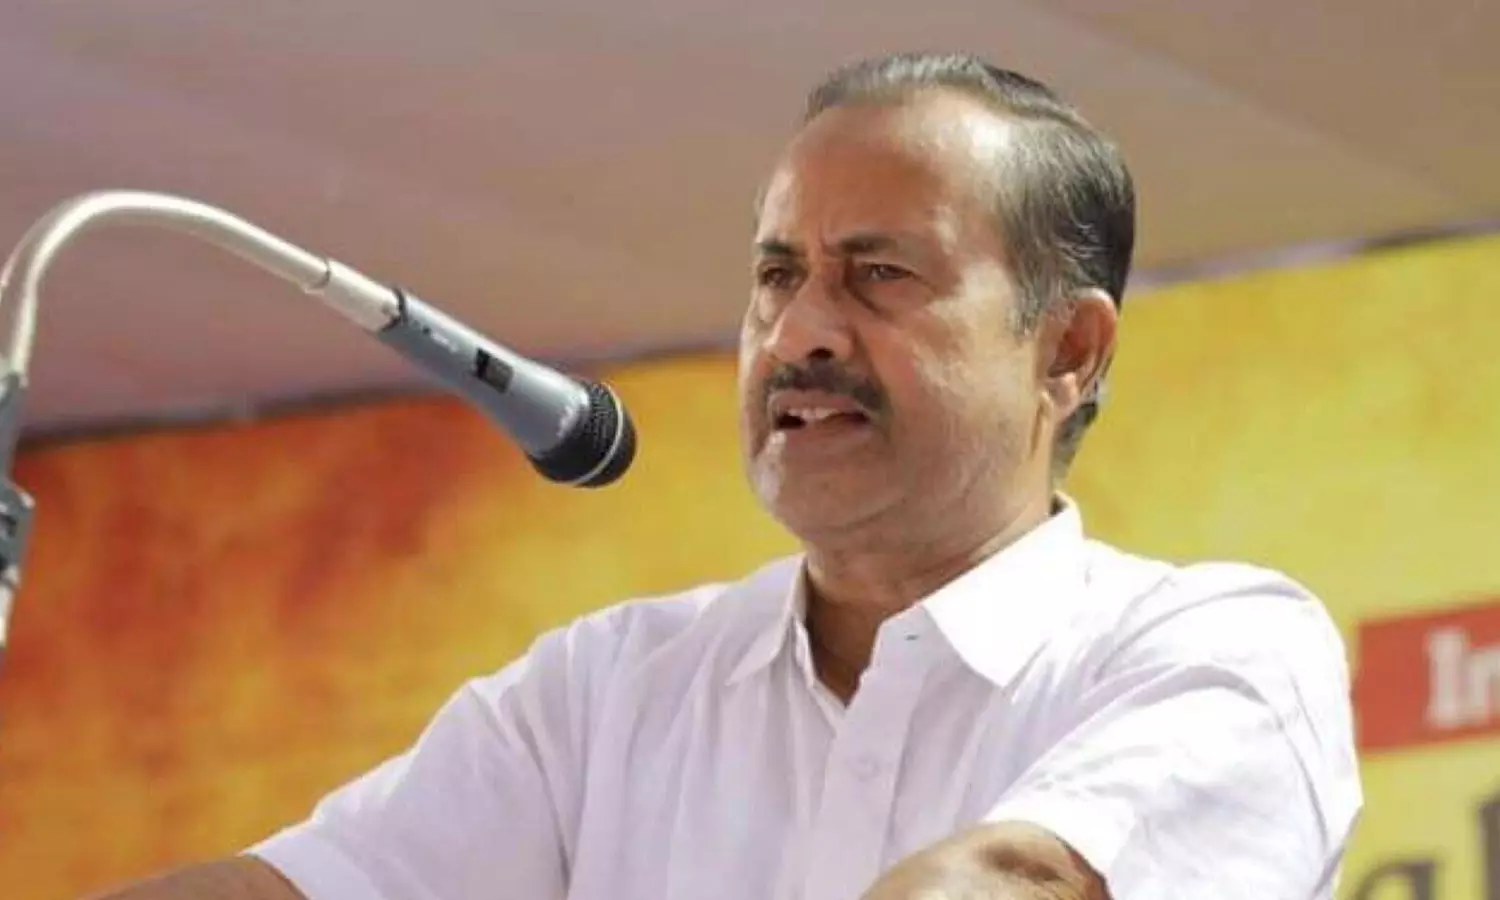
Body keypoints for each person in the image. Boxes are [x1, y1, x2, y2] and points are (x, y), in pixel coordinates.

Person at [96, 51, 1362, 900]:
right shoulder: (605, 691)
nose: (800, 330)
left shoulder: (1218, 648)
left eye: (880, 275)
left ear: (1069, 350)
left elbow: (1023, 881)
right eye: (775, 274)